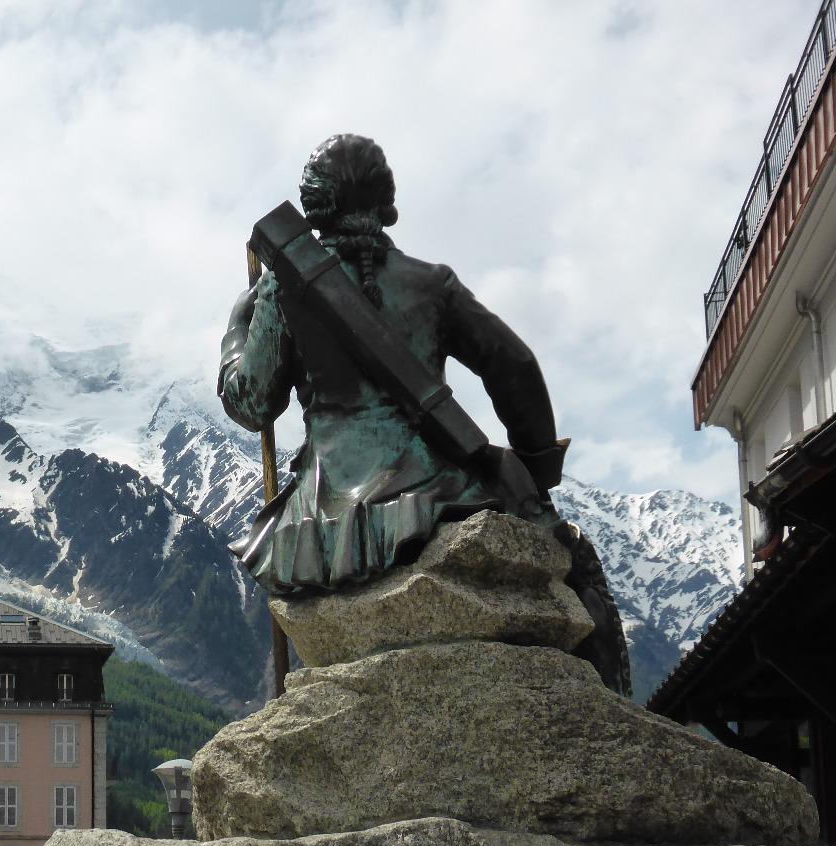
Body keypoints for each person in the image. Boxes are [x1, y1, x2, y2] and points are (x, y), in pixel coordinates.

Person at [220, 133, 628, 691]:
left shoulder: (280, 292)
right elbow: (514, 365)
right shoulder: (431, 283)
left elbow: (252, 403)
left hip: (324, 516)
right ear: (385, 199)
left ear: (315, 206)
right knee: (574, 558)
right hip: (438, 490)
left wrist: (239, 327)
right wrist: (535, 468)